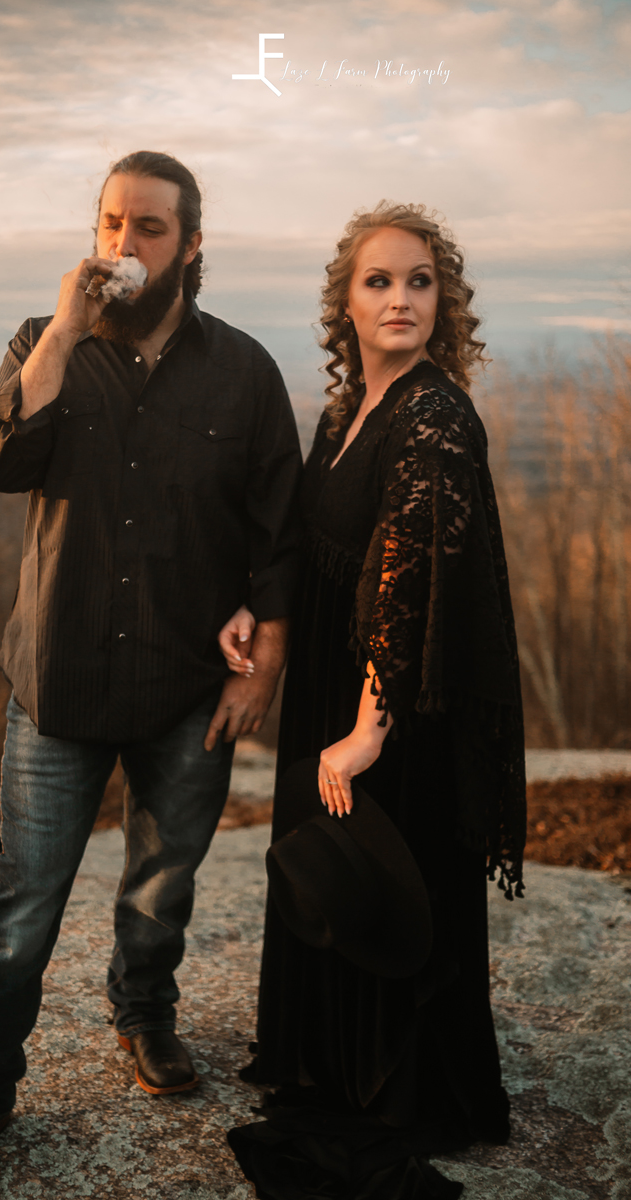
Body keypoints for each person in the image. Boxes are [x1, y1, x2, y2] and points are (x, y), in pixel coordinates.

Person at [0, 150, 303, 1200]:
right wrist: (63, 332)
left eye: (150, 227)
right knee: (20, 907)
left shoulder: (244, 371)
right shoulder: (46, 343)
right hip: (59, 680)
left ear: (192, 244)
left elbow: (279, 533)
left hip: (187, 684)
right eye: (111, 223)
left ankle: (144, 1015)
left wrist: (262, 662)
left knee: (162, 885)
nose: (124, 245)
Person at [218, 202, 526, 1200]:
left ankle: (393, 1087)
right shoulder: (345, 410)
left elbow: (409, 584)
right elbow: (319, 547)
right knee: (333, 884)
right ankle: (329, 1058)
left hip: (392, 713)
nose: (400, 298)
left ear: (445, 303)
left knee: (383, 885)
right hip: (331, 688)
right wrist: (256, 611)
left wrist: (365, 730)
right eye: (378, 281)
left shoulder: (435, 415)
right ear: (343, 304)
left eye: (419, 281)